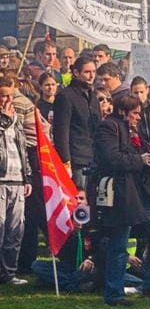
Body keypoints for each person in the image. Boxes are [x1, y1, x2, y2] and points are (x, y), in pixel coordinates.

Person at [93, 93, 150, 305]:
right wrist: (140, 160)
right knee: (119, 244)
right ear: (122, 112)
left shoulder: (130, 130)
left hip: (140, 192)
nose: (139, 117)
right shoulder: (109, 127)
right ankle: (114, 293)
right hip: (122, 194)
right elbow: (111, 159)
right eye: (135, 113)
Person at [53, 55, 100, 202]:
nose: (91, 75)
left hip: (93, 157)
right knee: (79, 202)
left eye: (94, 71)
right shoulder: (65, 96)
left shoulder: (92, 95)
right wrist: (65, 161)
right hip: (77, 158)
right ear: (76, 73)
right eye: (87, 72)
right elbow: (61, 131)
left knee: (91, 202)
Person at [0, 79, 32, 286]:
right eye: (3, 95)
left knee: (15, 230)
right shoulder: (6, 119)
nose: (7, 100)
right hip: (1, 180)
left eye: (10, 96)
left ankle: (8, 274)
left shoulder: (16, 118)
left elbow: (23, 148)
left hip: (18, 179)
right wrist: (4, 119)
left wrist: (26, 177)